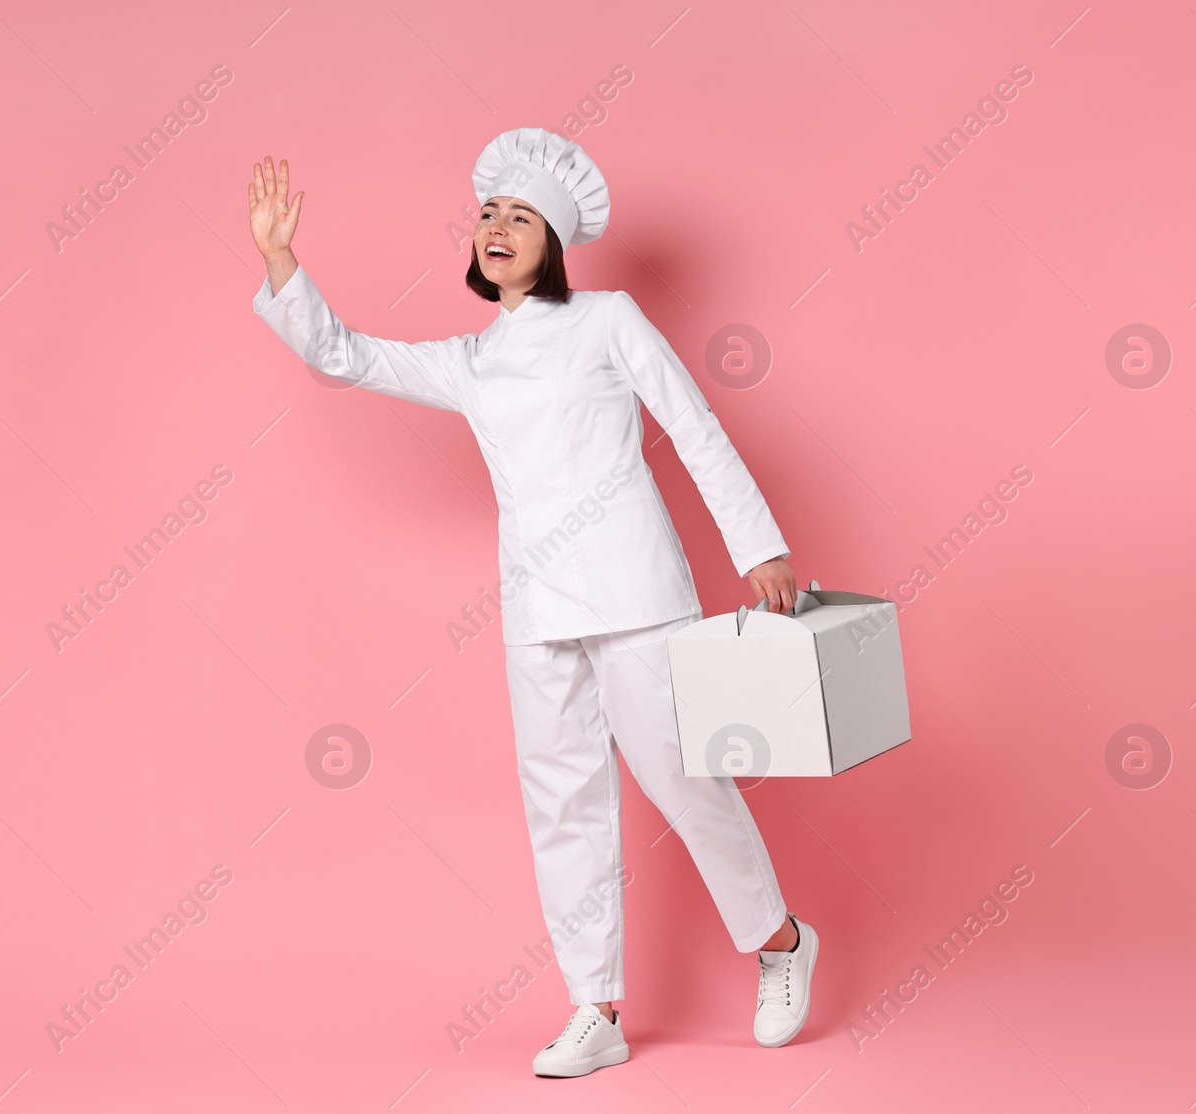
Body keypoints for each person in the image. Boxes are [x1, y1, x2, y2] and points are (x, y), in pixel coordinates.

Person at [246, 128, 819, 1077]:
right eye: (487, 216)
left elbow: (692, 422)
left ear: (553, 240)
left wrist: (757, 544)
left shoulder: (610, 319)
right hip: (537, 608)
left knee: (683, 779)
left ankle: (781, 943)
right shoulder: (471, 361)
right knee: (562, 805)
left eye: (520, 216)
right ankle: (595, 1008)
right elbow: (345, 356)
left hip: (636, 588)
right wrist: (280, 261)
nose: (497, 228)